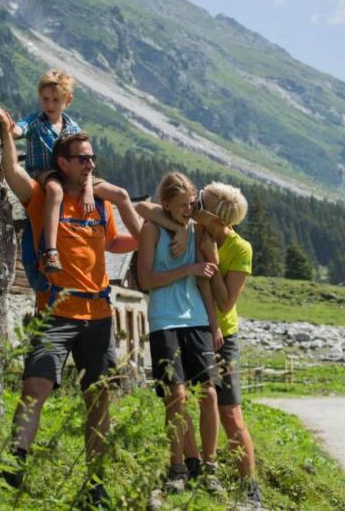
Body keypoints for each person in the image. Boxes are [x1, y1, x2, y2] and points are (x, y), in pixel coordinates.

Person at [0, 96, 139, 506]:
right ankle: (13, 467)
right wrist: (4, 127)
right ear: (63, 162)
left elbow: (121, 242)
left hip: (99, 314)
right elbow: (11, 170)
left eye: (92, 158)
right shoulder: (42, 195)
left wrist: (134, 215)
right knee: (35, 387)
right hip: (55, 312)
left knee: (98, 398)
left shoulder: (100, 203)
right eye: (82, 159)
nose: (90, 164)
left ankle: (96, 483)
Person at [137, 182, 263, 507]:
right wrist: (173, 227)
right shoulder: (193, 229)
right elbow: (151, 208)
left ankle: (251, 491)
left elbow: (225, 301)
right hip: (201, 324)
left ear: (214, 216)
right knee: (184, 394)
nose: (193, 207)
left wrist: (211, 259)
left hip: (224, 330)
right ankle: (192, 463)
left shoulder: (239, 249)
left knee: (229, 411)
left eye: (199, 204)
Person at [0, 70, 141, 273]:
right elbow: (16, 131)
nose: (49, 105)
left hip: (74, 175)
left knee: (120, 194)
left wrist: (87, 190)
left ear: (68, 100)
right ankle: (50, 251)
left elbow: (85, 162)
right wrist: (0, 114)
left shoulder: (73, 128)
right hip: (45, 172)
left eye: (55, 100)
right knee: (56, 191)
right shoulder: (35, 121)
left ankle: (144, 240)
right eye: (45, 99)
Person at [136, 172, 224, 495]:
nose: (188, 210)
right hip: (164, 320)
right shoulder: (150, 229)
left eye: (191, 204)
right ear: (166, 204)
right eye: (182, 206)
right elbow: (146, 280)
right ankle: (178, 468)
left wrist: (214, 325)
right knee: (176, 395)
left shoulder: (198, 230)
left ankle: (209, 468)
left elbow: (205, 281)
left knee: (210, 394)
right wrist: (186, 268)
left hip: (197, 319)